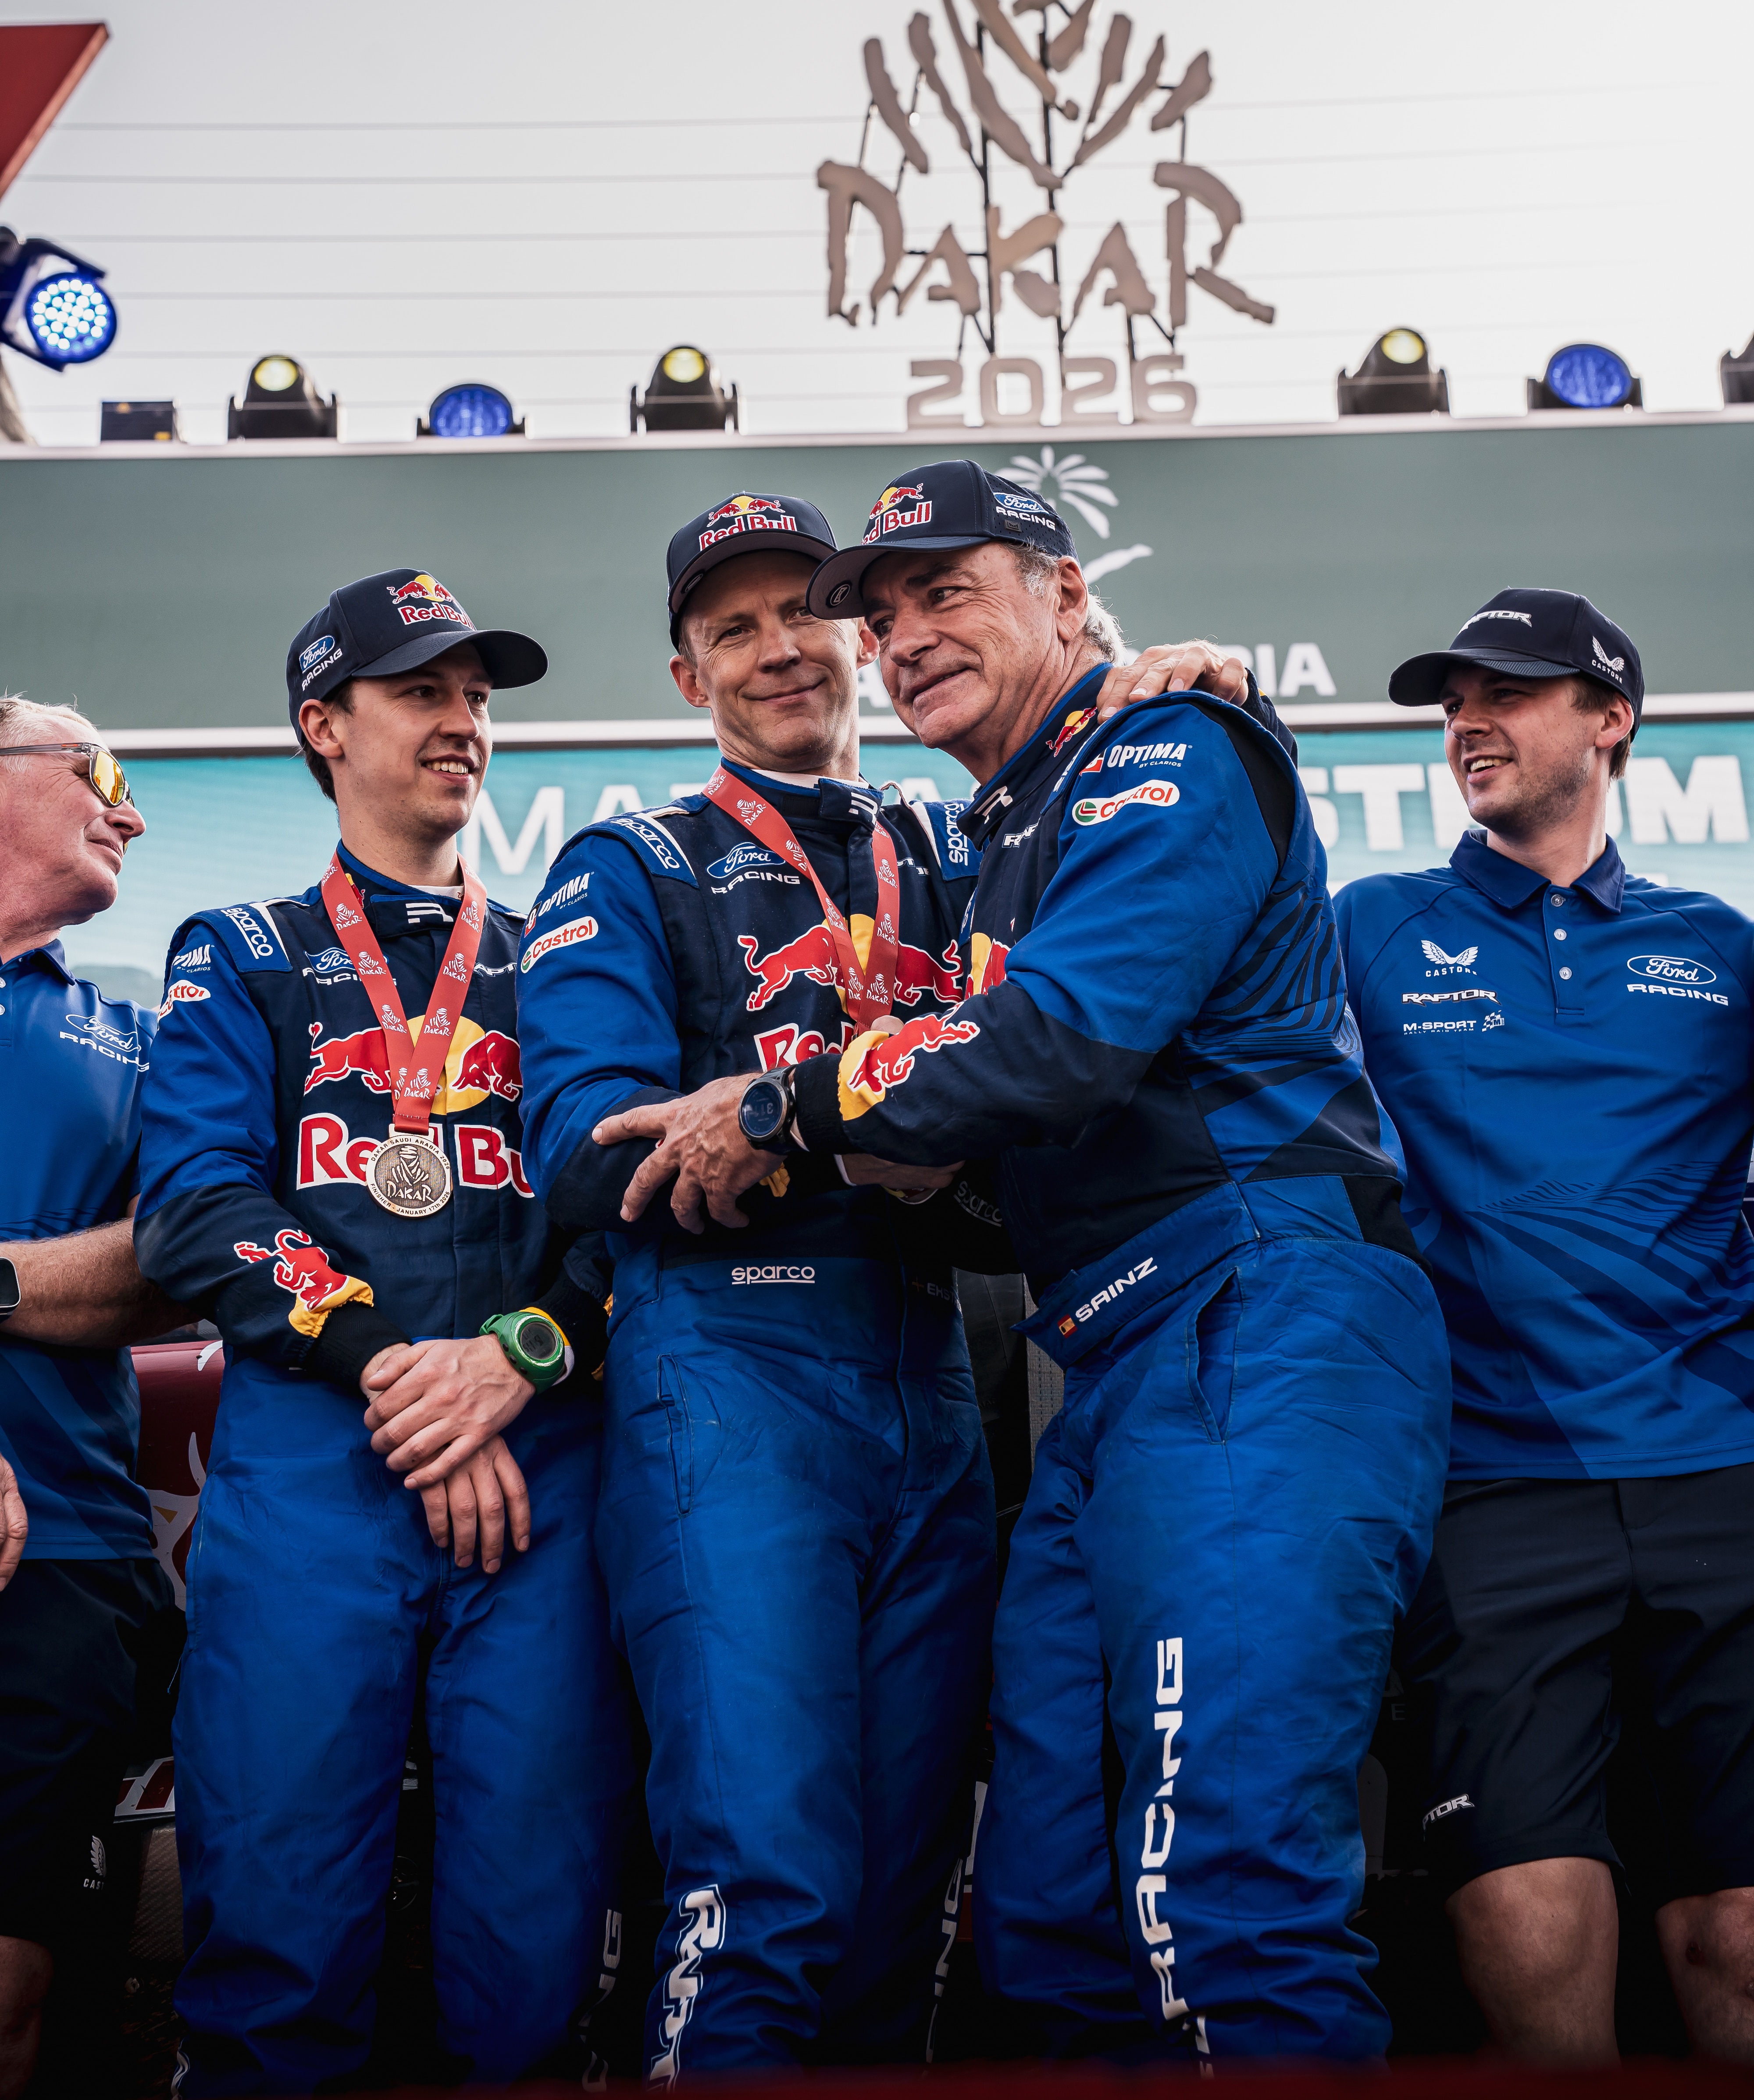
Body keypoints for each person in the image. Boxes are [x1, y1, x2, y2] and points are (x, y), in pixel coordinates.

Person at [595, 460, 1453, 2063]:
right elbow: (982, 1145)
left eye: (949, 589)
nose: (903, 633)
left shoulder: (1168, 746)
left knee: (1229, 1899)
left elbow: (1056, 1043)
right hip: (1114, 1372)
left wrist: (786, 1099)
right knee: (1046, 1920)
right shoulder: (1000, 839)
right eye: (886, 609)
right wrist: (887, 1147)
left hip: (1265, 1318)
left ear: (1070, 596)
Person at [493, 487, 1242, 2076]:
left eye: (804, 617)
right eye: (731, 631)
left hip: (942, 1389)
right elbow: (578, 1143)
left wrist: (1150, 677)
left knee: (916, 1902)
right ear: (690, 679)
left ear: (865, 635)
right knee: (765, 1889)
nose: (781, 653)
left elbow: (1049, 1063)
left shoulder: (958, 847)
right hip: (730, 1376)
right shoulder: (631, 860)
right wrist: (838, 1131)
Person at [133, 571, 636, 2097]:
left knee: (536, 1952)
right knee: (276, 1931)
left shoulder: (567, 953)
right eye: (424, 692)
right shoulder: (240, 948)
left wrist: (518, 1364)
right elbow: (194, 1209)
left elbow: (618, 1210)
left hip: (538, 1472)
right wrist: (401, 1376)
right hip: (315, 1473)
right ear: (324, 727)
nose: (465, 724)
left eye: (480, 697)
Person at [1332, 587, 1754, 2065]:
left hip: (1726, 1471)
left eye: (1509, 691)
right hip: (1495, 1478)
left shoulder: (1721, 947)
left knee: (1739, 1930)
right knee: (1520, 1903)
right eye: (1455, 699)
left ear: (1611, 719)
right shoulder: (1372, 929)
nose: (1470, 722)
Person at [0, 699, 185, 2100]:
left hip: (67, 1556)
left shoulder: (129, 1029)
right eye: (103, 772)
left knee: (16, 1981)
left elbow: (170, 1261)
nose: (129, 810)